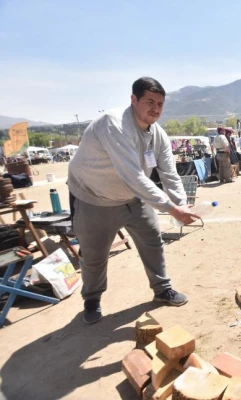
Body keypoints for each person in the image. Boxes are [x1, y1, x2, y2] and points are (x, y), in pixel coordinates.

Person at [68, 77, 199, 324]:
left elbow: (169, 172)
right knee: (95, 256)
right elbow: (133, 175)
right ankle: (92, 300)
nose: (156, 108)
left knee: (153, 242)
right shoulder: (113, 124)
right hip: (95, 199)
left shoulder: (158, 133)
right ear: (133, 100)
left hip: (134, 199)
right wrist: (171, 209)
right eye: (150, 101)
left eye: (160, 104)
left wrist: (182, 203)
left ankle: (162, 290)